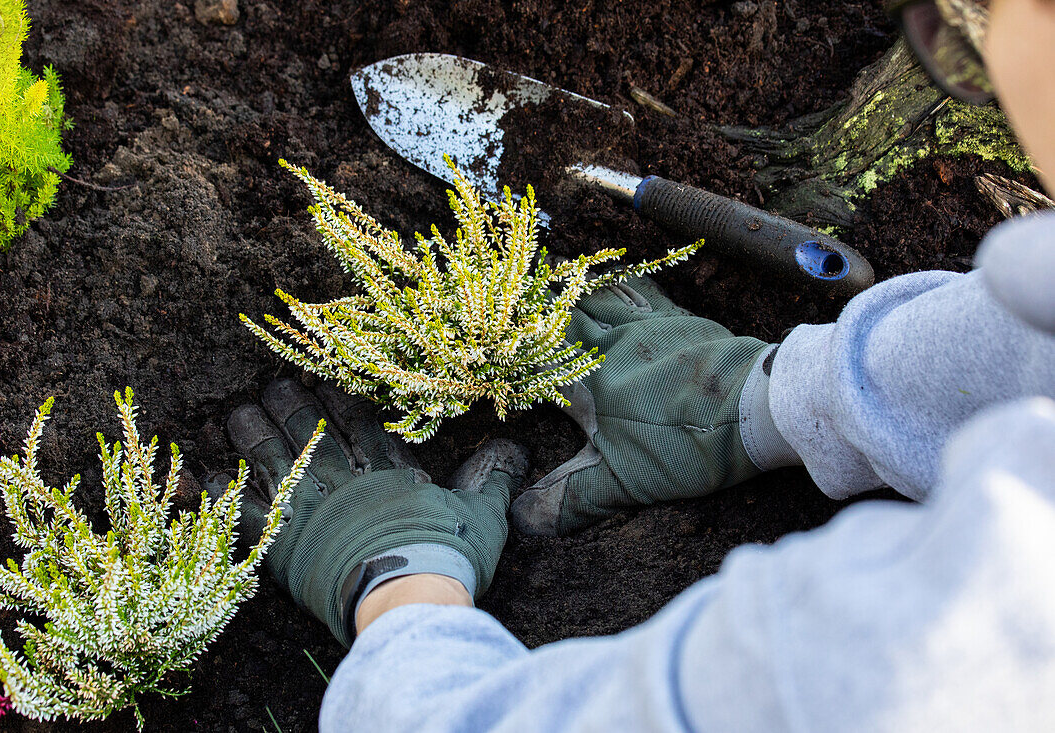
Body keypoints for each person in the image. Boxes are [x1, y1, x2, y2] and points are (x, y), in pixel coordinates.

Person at [213, 0, 1055, 728]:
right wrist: (777, 397)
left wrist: (397, 585)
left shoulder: (964, 638)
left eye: (961, 34)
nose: (964, 52)